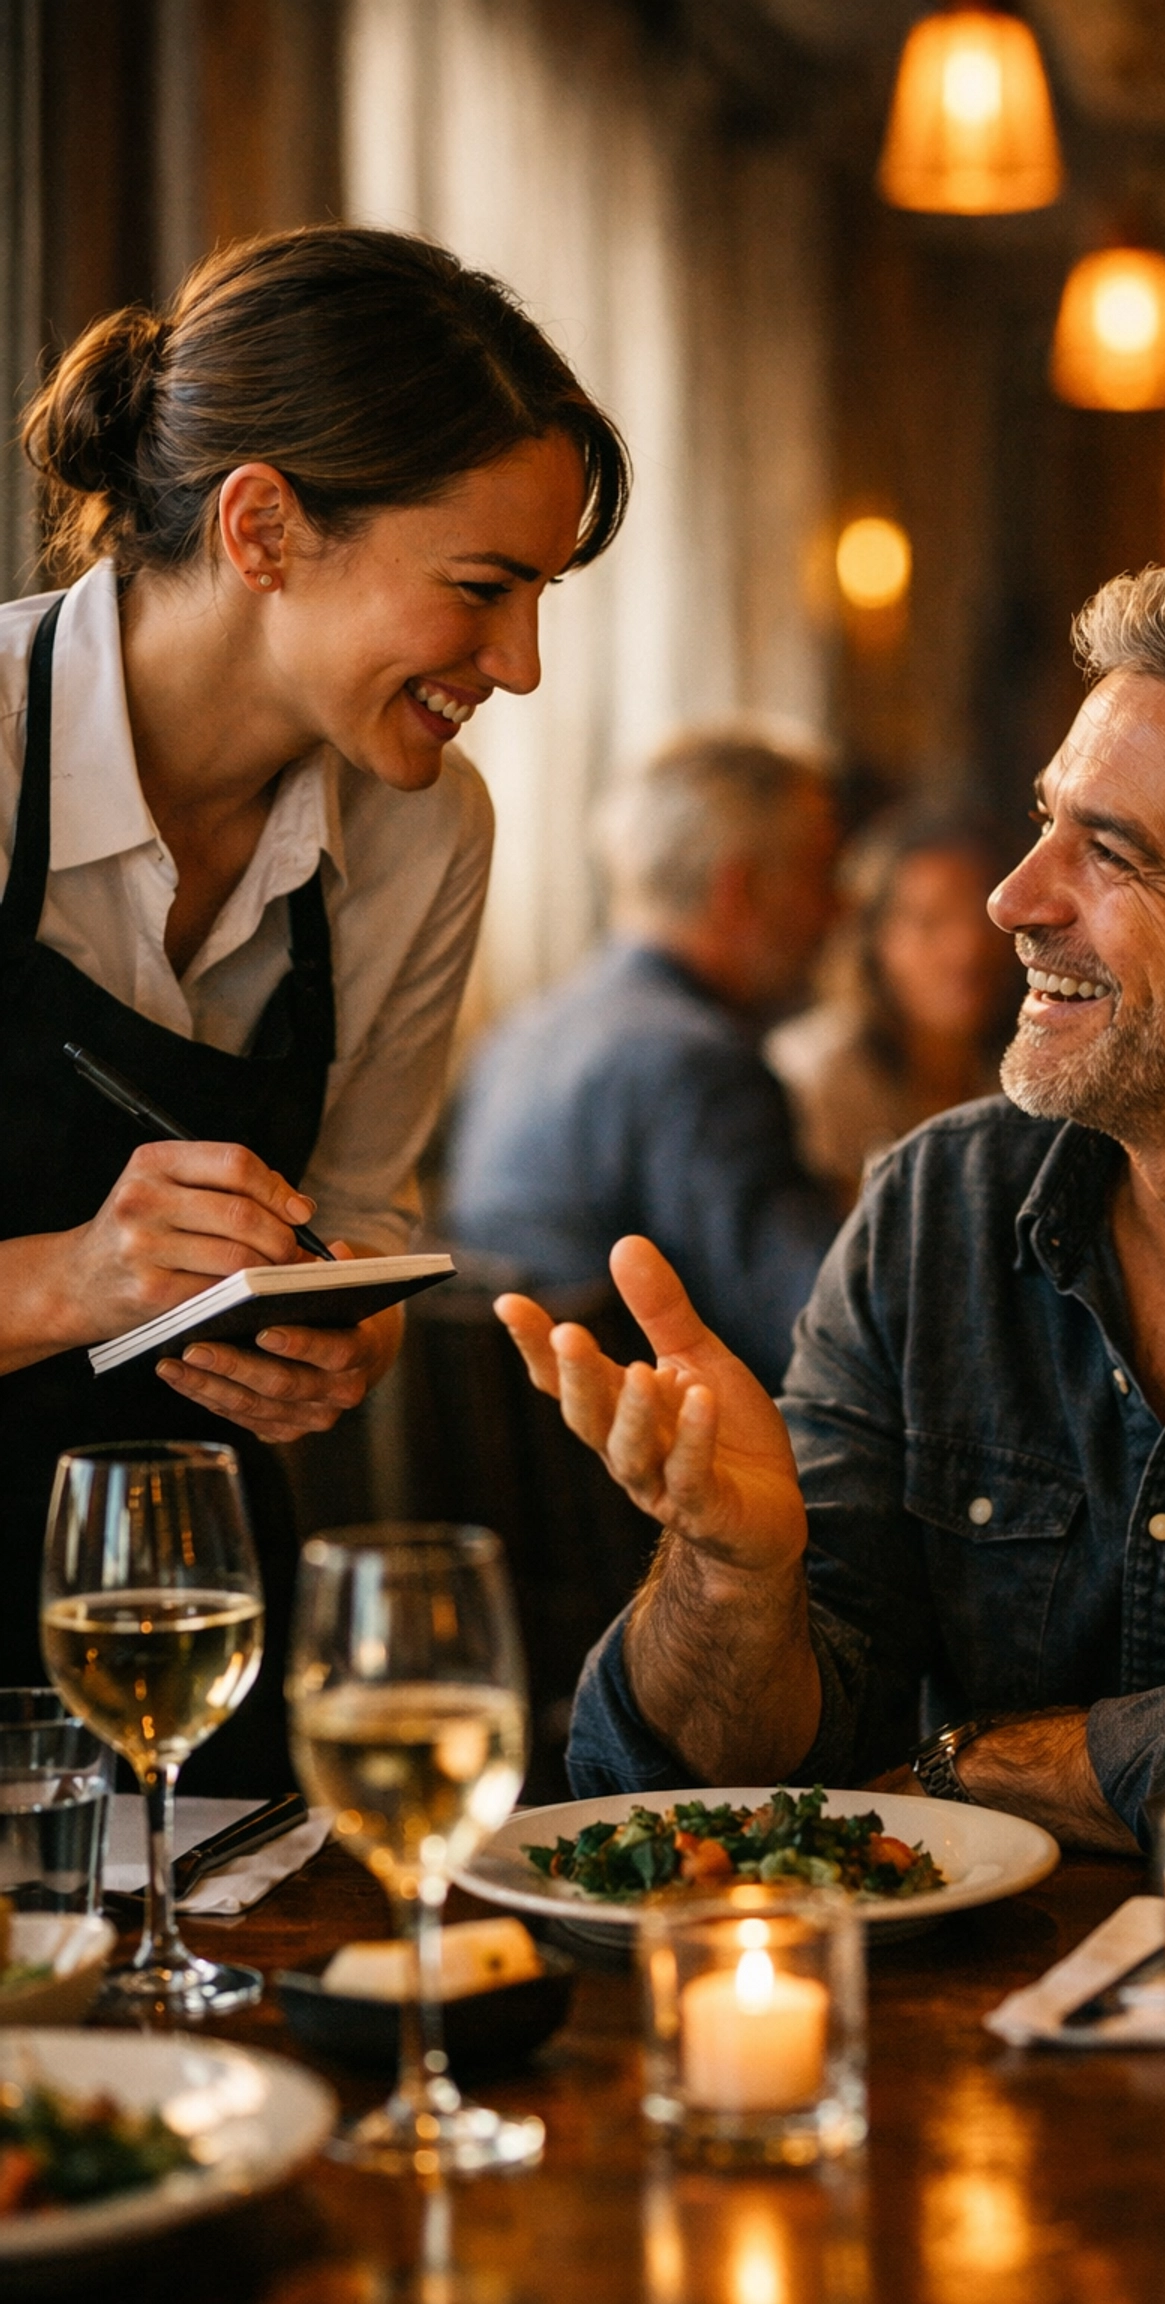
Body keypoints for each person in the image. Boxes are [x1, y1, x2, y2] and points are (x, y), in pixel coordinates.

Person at [496, 557, 1165, 1886]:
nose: (1014, 898)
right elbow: (702, 1786)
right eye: (1048, 820)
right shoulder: (936, 1212)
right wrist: (731, 1582)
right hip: (978, 2017)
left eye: (1113, 854)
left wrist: (1003, 1766)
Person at [1, 223, 628, 1789]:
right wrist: (69, 1282)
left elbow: (354, 1220)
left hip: (195, 1623)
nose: (521, 664)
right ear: (265, 527)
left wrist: (344, 1342)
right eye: (483, 588)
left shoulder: (428, 832)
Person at [445, 726, 842, 1390]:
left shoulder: (516, 1034)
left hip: (512, 1439)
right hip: (641, 1446)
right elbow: (821, 1335)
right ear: (740, 890)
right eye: (820, 874)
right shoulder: (700, 1066)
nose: (838, 909)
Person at [767, 805, 1020, 1208]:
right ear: (875, 938)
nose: (967, 948)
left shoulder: (1028, 1071)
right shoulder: (814, 1078)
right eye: (930, 922)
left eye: (983, 917)